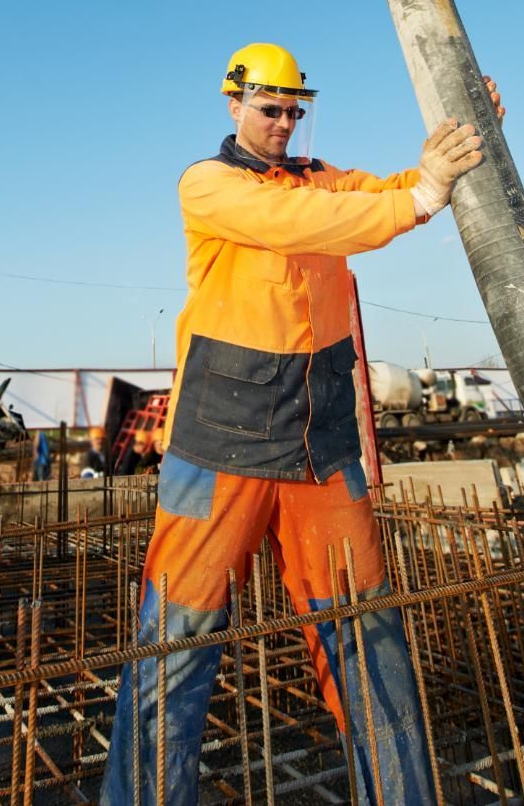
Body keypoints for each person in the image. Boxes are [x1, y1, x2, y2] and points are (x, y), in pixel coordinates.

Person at [101, 43, 503, 805]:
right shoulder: (208, 184)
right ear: (234, 104)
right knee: (174, 648)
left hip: (322, 450)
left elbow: (390, 190)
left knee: (366, 639)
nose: (285, 120)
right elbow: (311, 219)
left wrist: (462, 146)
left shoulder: (324, 180)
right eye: (270, 107)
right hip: (217, 447)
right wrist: (421, 194)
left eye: (295, 108)